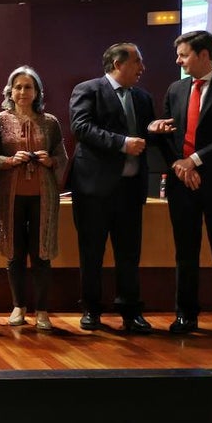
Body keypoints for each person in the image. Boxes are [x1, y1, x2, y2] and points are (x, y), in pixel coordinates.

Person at [150, 30, 212, 340]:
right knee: (185, 252)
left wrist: (194, 161)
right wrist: (159, 136)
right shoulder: (176, 88)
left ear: (204, 55)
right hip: (182, 184)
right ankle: (185, 315)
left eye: (183, 55)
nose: (178, 60)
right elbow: (168, 132)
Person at [68, 42, 155, 334]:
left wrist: (155, 130)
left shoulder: (142, 98)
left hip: (130, 189)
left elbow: (144, 138)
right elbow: (81, 128)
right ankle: (91, 310)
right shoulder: (87, 90)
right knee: (91, 253)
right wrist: (121, 143)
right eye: (137, 62)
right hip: (94, 190)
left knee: (129, 254)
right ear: (118, 64)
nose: (142, 68)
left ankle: (131, 312)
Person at [0, 66, 68, 331]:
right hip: (11, 197)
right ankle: (18, 306)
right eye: (18, 87)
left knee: (41, 253)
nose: (22, 92)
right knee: (15, 254)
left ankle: (42, 310)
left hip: (43, 197)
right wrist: (9, 161)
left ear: (37, 92)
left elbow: (62, 157)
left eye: (28, 87)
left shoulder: (50, 122)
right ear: (10, 91)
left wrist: (50, 159)